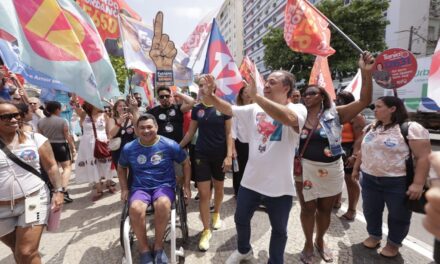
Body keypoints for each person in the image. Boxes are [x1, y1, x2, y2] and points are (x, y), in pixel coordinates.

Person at [201, 70, 307, 264]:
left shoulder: (298, 108)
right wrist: (211, 96)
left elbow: (289, 119)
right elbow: (229, 109)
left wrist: (257, 96)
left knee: (279, 229)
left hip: (280, 185)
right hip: (251, 180)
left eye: (272, 82)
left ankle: (275, 261)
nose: (266, 85)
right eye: (266, 81)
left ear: (286, 88)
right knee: (240, 219)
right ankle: (244, 250)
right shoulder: (255, 108)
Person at [296, 52, 375, 263]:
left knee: (324, 210)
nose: (306, 96)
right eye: (305, 93)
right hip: (305, 168)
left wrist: (365, 73)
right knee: (307, 209)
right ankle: (306, 243)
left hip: (332, 169)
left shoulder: (336, 113)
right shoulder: (298, 115)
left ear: (322, 96)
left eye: (312, 93)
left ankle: (319, 241)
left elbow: (365, 100)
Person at [352, 96, 431, 258]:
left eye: (379, 106)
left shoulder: (411, 128)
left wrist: (418, 183)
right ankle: (374, 235)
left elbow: (423, 157)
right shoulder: (372, 127)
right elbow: (363, 150)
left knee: (398, 215)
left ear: (392, 109)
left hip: (397, 181)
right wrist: (356, 169)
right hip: (369, 179)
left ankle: (394, 243)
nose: (375, 109)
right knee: (370, 210)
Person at [117, 114, 191, 264]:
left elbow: (186, 162)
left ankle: (158, 247)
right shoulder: (129, 148)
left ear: (156, 127)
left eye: (150, 127)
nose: (146, 130)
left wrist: (187, 186)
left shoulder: (169, 144)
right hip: (140, 187)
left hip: (163, 186)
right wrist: (124, 188)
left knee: (163, 204)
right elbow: (121, 167)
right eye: (142, 128)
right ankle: (144, 250)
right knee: (136, 209)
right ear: (136, 130)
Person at [0, 100, 64, 263]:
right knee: (18, 250)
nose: (14, 119)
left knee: (26, 251)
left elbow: (51, 167)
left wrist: (59, 191)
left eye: (16, 115)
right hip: (2, 210)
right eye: (6, 117)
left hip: (33, 200)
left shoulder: (35, 139)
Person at [180, 75, 233, 252]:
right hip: (201, 153)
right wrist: (176, 148)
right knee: (203, 194)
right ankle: (206, 230)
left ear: (213, 88)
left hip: (219, 154)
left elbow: (228, 134)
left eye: (205, 85)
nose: (202, 88)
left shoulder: (224, 107)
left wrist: (229, 156)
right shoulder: (197, 109)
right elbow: (190, 132)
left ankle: (216, 213)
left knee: (219, 187)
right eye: (200, 85)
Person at [333, 91, 366, 220]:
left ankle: (352, 209)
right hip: (335, 149)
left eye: (339, 100)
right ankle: (336, 201)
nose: (336, 102)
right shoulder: (335, 114)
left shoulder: (356, 116)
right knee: (335, 177)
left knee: (350, 180)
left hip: (349, 149)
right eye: (336, 100)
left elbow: (359, 138)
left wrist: (354, 155)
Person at [74, 101, 114, 201]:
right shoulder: (83, 115)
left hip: (102, 142)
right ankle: (99, 189)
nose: (99, 105)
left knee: (107, 163)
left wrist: (109, 140)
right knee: (93, 165)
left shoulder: (104, 115)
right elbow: (75, 105)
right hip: (88, 144)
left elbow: (109, 130)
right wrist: (74, 96)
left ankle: (109, 183)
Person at [38, 101, 76, 203]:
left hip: (47, 146)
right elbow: (67, 136)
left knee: (53, 169)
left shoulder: (41, 122)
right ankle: (63, 190)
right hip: (61, 146)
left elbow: (40, 136)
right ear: (57, 109)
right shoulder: (62, 121)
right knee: (67, 168)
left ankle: (56, 190)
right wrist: (73, 148)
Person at [232, 86, 253, 196]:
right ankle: (238, 192)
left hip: (254, 143)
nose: (248, 94)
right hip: (240, 143)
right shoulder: (236, 109)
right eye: (245, 92)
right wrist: (233, 148)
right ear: (241, 95)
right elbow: (233, 130)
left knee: (252, 169)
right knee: (239, 170)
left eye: (250, 92)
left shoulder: (257, 109)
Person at [106, 99, 136, 167]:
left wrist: (133, 121)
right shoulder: (112, 120)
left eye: (124, 106)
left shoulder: (132, 118)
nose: (122, 107)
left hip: (131, 150)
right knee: (121, 173)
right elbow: (111, 134)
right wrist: (119, 122)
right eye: (120, 106)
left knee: (132, 173)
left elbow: (138, 134)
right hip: (118, 150)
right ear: (116, 108)